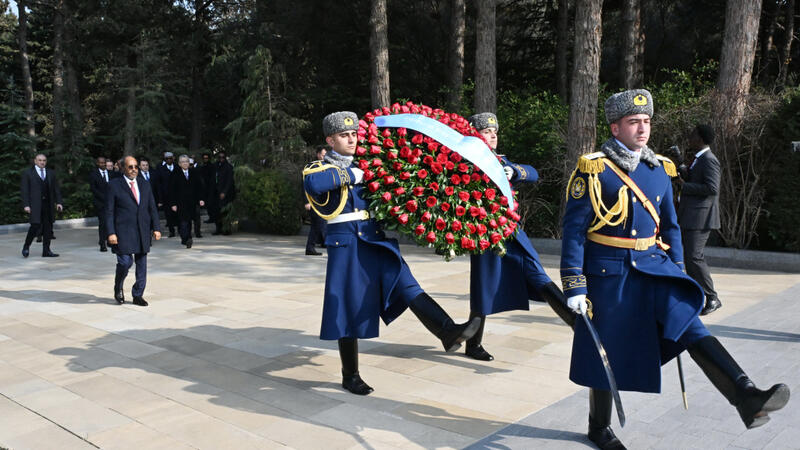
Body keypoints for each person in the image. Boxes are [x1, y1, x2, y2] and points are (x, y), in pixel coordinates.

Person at [561, 89, 789, 449]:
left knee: (688, 322)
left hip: (655, 268)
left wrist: (680, 271)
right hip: (609, 274)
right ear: (615, 127)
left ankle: (744, 393)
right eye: (633, 122)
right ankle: (598, 427)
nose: (642, 128)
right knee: (606, 350)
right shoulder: (594, 169)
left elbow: (670, 227)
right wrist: (575, 285)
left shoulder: (658, 169)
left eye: (646, 121)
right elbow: (573, 232)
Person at [303, 111, 480, 396]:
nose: (351, 139)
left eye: (353, 134)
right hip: (347, 245)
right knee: (349, 310)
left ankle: (447, 331)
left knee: (407, 284)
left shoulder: (370, 164)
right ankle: (351, 375)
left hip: (375, 240)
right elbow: (314, 185)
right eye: (343, 136)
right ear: (330, 140)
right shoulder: (319, 167)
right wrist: (351, 174)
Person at [466, 113, 575, 361]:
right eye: (486, 131)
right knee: (483, 289)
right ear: (475, 134)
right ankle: (473, 344)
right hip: (486, 233)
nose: (493, 135)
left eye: (495, 131)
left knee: (537, 273)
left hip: (512, 231)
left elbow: (533, 173)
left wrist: (513, 171)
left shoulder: (502, 161)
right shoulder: (468, 164)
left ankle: (574, 321)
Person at [677, 124, 722, 316]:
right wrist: (681, 166)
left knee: (694, 257)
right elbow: (694, 178)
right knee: (689, 257)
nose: (690, 137)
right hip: (691, 216)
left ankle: (712, 297)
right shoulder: (699, 159)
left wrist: (683, 186)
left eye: (693, 134)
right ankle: (696, 296)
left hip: (701, 217)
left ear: (702, 139)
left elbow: (712, 189)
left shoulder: (709, 160)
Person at [106, 156, 161, 306]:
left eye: (136, 166)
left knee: (141, 264)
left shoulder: (144, 184)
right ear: (123, 168)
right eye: (130, 167)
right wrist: (111, 232)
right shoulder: (114, 185)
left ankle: (138, 295)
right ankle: (118, 286)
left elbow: (152, 208)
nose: (134, 170)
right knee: (125, 262)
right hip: (122, 231)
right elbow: (109, 211)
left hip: (142, 229)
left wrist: (156, 227)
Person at [20, 154, 63, 258]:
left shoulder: (51, 173)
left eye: (44, 160)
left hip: (48, 204)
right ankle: (26, 246)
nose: (42, 162)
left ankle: (46, 250)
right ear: (35, 161)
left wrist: (59, 202)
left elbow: (56, 189)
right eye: (40, 160)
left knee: (48, 227)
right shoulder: (28, 173)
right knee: (35, 226)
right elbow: (25, 190)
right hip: (35, 205)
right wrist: (26, 205)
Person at [169, 155, 206, 248]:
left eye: (186, 161)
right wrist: (173, 203)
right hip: (180, 202)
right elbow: (171, 190)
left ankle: (187, 238)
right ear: (179, 163)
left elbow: (200, 187)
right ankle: (186, 238)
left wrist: (201, 199)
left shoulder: (194, 172)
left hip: (192, 202)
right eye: (183, 162)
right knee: (183, 221)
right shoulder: (175, 173)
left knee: (189, 221)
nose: (185, 163)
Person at [304, 145, 328, 255]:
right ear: (318, 154)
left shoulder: (327, 166)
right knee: (319, 223)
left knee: (317, 224)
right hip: (313, 200)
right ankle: (312, 246)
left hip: (323, 201)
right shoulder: (311, 167)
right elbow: (304, 185)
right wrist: (306, 201)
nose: (324, 157)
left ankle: (312, 246)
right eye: (323, 155)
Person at [88, 156, 111, 252]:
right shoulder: (93, 174)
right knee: (103, 223)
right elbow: (94, 189)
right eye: (101, 163)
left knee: (110, 222)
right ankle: (102, 243)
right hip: (100, 203)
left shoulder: (111, 173)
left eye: (104, 162)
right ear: (97, 163)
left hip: (111, 202)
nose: (103, 164)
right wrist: (104, 198)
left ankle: (110, 240)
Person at [211, 151, 235, 236]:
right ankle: (218, 228)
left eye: (223, 157)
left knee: (225, 212)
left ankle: (226, 229)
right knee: (217, 212)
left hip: (225, 194)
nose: (221, 159)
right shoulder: (215, 166)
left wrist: (224, 192)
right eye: (219, 157)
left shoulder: (228, 167)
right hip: (216, 192)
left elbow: (229, 181)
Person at [157, 151, 178, 237]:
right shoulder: (161, 169)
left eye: (170, 158)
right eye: (167, 159)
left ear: (173, 158)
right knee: (168, 214)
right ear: (165, 160)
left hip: (177, 194)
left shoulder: (177, 167)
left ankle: (181, 230)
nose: (169, 160)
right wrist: (160, 198)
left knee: (178, 213)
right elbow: (159, 184)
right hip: (166, 196)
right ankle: (171, 231)